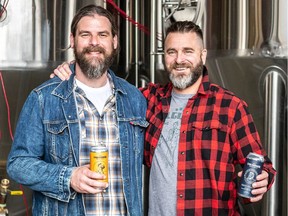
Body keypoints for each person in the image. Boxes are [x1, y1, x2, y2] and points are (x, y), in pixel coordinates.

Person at [52, 21, 276, 216]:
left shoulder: (230, 106)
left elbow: (260, 163)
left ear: (202, 55)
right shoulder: (147, 100)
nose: (179, 60)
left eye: (188, 51)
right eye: (171, 52)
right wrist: (73, 68)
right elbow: (104, 87)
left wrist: (262, 178)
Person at [7, 5, 147, 216]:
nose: (94, 42)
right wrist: (68, 177)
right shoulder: (44, 98)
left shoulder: (134, 98)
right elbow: (18, 164)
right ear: (73, 40)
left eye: (102, 34)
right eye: (85, 34)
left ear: (114, 41)